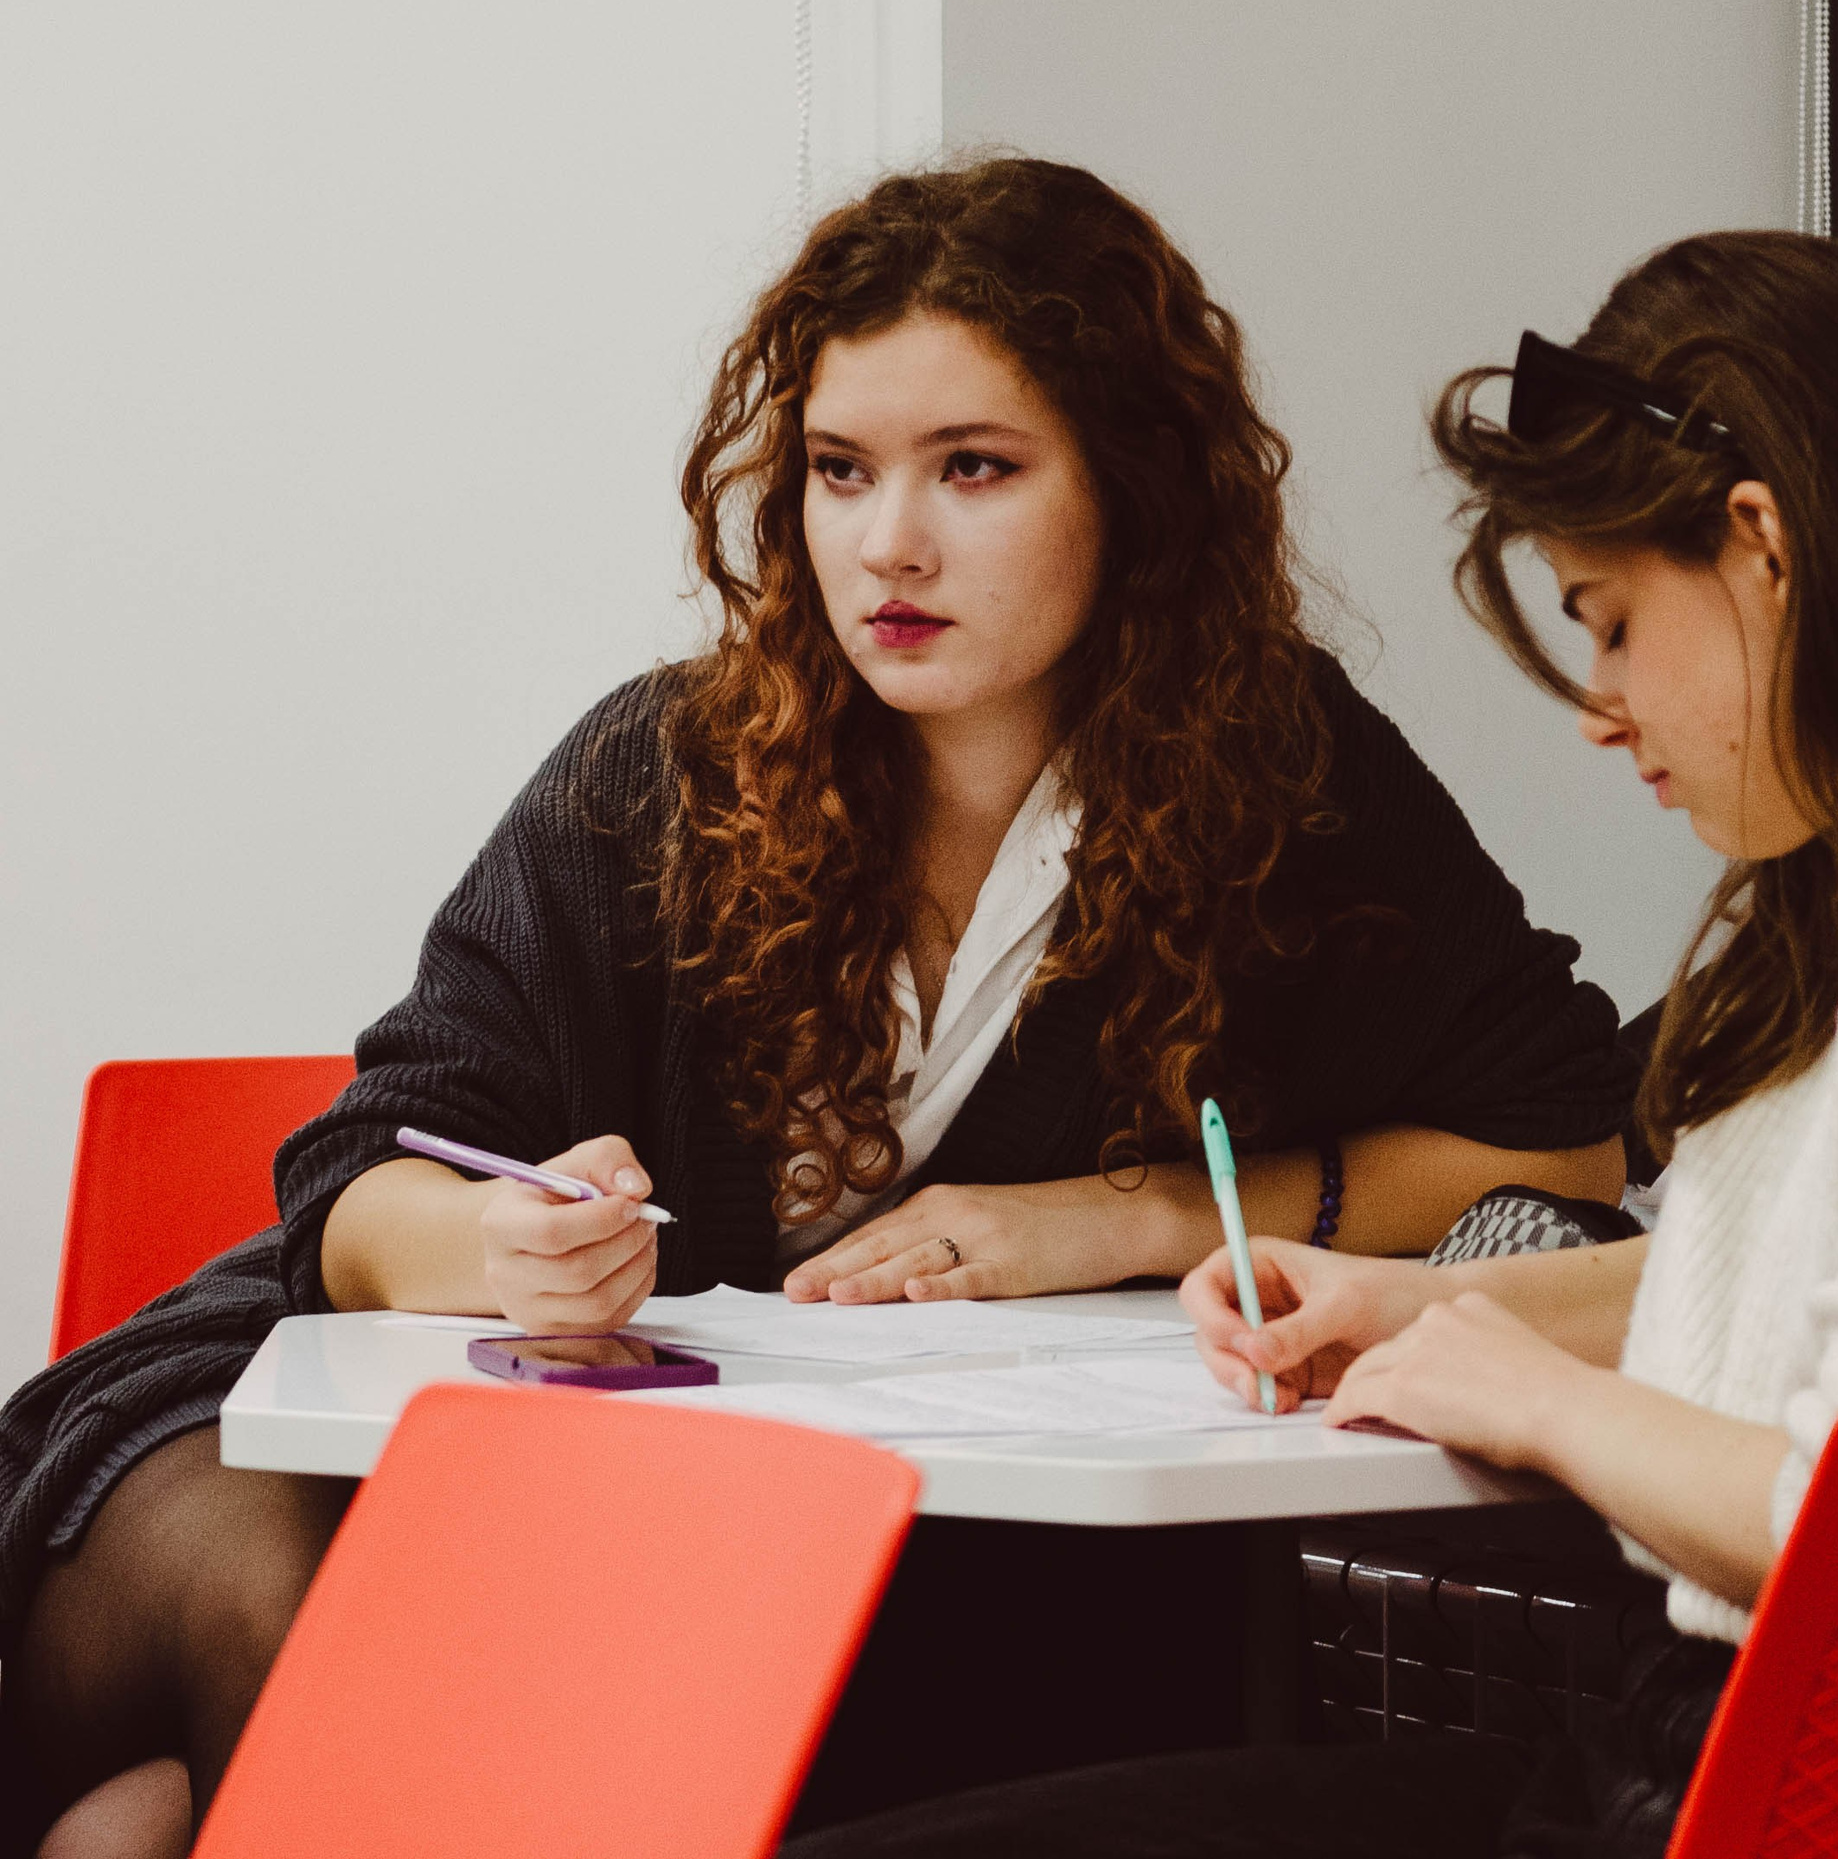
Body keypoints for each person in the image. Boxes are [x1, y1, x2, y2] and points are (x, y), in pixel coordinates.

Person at [0, 157, 1635, 1857]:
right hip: (340, 1491)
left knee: (209, 1818)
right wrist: (506, 1249)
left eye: (975, 471)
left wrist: (1116, 1217)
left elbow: (1557, 1128)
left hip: (903, 1567)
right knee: (329, 1629)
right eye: (839, 472)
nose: (886, 546)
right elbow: (351, 1191)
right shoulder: (671, 770)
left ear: (1137, 492)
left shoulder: (1282, 786)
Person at [782, 228, 1838, 1859]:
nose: (1597, 703)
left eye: (1613, 621)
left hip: (1833, 1785)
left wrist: (1536, 1404)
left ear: (1761, 545)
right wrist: (1440, 1308)